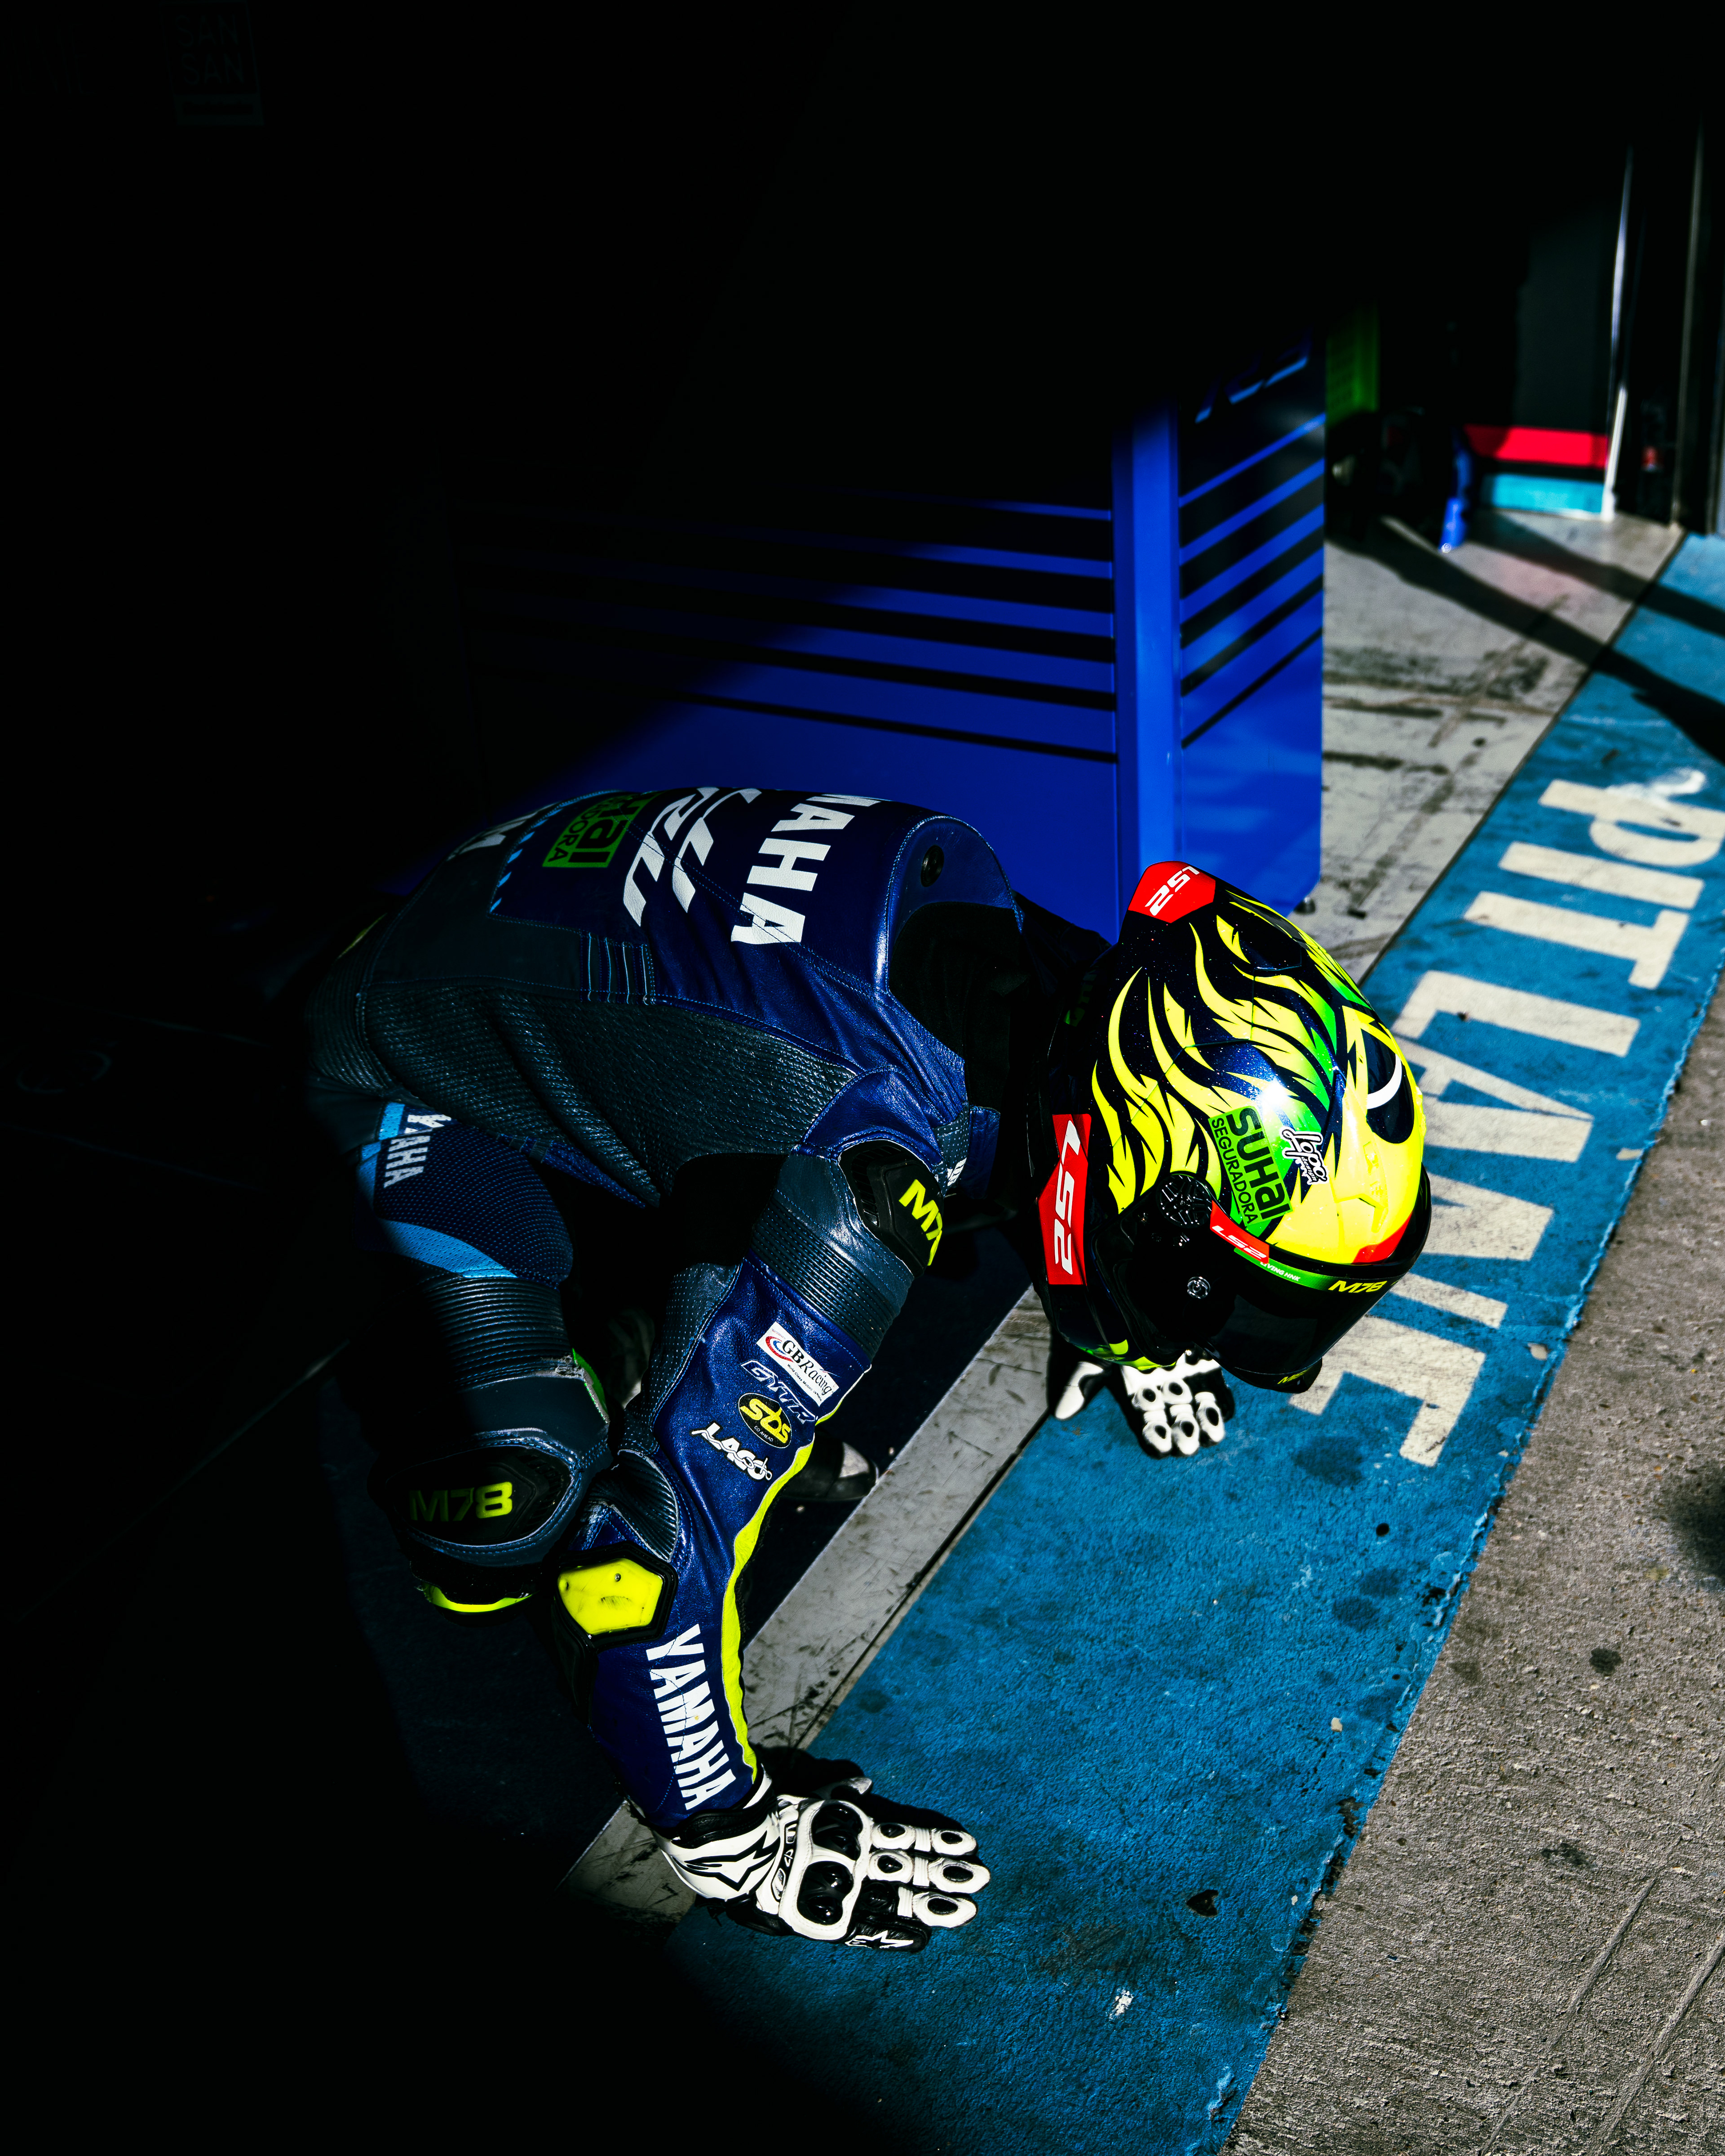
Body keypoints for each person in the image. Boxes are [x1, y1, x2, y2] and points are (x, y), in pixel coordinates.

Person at [306, 786, 1430, 1950]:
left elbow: (1063, 1153)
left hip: (564, 937)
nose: (1216, 1332)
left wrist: (1132, 1329)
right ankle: (618, 1353)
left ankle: (672, 1329)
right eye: (1217, 1296)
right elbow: (635, 1566)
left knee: (953, 1165)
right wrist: (731, 1833)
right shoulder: (860, 1172)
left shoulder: (1073, 981)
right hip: (395, 1050)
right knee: (520, 1515)